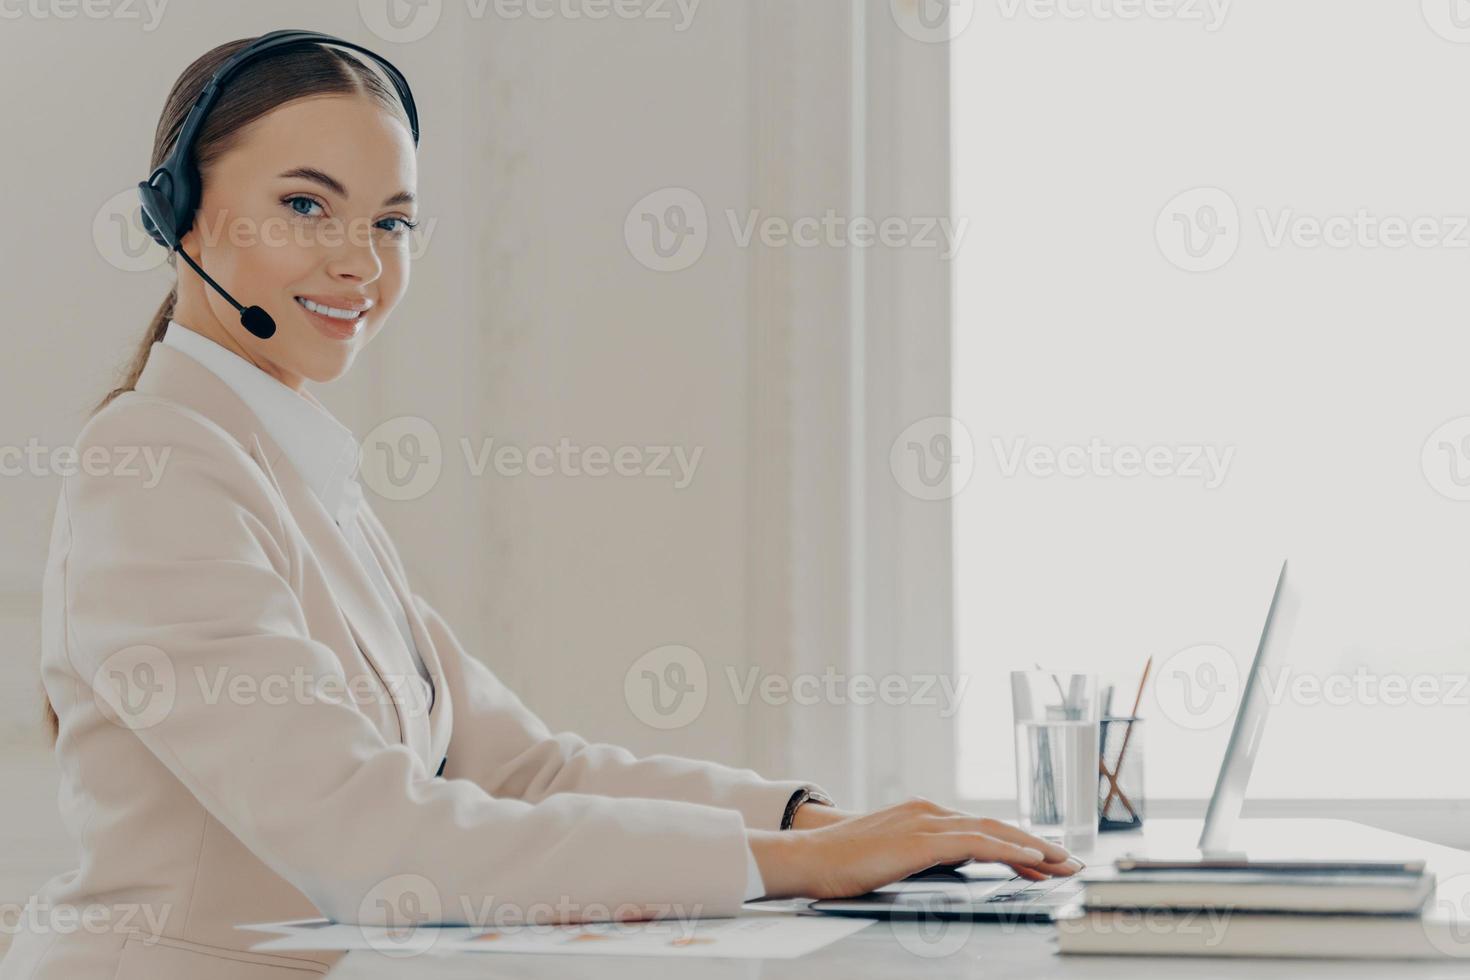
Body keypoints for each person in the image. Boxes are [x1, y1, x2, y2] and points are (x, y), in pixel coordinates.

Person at [3, 33, 1079, 980]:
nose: (360, 262)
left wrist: (815, 819)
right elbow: (371, 832)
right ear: (179, 206)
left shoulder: (295, 468)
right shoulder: (155, 463)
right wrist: (795, 866)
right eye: (305, 204)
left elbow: (525, 768)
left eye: (394, 221)